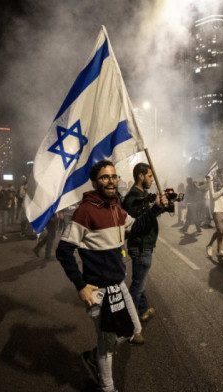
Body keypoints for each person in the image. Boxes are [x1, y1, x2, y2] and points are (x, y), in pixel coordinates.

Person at [56, 160, 167, 392]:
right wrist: (81, 286)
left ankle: (96, 356)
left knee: (134, 329)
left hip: (118, 284)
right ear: (96, 182)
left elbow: (135, 227)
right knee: (107, 343)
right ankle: (107, 387)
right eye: (105, 177)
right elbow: (63, 250)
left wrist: (156, 208)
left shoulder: (116, 206)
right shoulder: (85, 211)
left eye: (114, 176)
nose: (111, 181)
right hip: (97, 289)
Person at [122, 163, 160, 344]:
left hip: (144, 245)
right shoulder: (133, 198)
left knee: (140, 281)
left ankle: (143, 310)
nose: (152, 180)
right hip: (141, 246)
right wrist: (155, 208)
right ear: (141, 176)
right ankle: (129, 327)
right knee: (137, 286)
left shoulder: (143, 195)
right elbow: (138, 225)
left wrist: (163, 204)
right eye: (150, 176)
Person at [206, 168, 223, 258]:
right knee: (219, 230)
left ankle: (219, 250)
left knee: (221, 232)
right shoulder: (213, 183)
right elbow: (214, 195)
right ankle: (209, 245)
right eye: (222, 173)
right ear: (218, 174)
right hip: (216, 209)